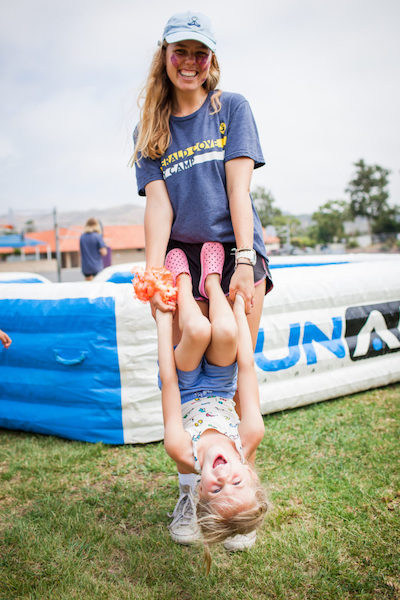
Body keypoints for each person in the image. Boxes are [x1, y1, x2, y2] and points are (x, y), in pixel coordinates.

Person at [132, 11, 273, 547]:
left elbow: (239, 192)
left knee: (235, 372)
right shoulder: (153, 125)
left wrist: (241, 260)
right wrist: (154, 275)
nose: (189, 62)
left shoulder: (229, 109)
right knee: (186, 372)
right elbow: (159, 206)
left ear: (212, 60)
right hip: (178, 258)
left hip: (234, 251)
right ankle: (193, 496)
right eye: (180, 51)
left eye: (200, 53)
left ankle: (237, 494)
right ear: (164, 57)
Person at [154, 243, 268, 571]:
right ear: (249, 472)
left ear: (201, 491)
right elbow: (246, 366)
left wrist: (165, 319)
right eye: (236, 481)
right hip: (220, 382)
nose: (222, 474)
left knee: (198, 329)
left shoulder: (180, 448)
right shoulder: (250, 434)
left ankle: (183, 281)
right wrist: (237, 309)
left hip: (185, 383)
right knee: (227, 332)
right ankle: (212, 280)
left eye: (216, 487)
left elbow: (170, 381)